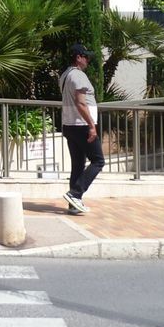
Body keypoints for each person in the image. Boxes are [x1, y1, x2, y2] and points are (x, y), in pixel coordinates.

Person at [59, 43, 103, 215]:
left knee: (78, 164)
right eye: (86, 56)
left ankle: (73, 204)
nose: (88, 60)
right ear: (78, 57)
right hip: (82, 126)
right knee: (98, 161)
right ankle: (75, 194)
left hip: (70, 125)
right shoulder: (78, 75)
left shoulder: (65, 75)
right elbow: (81, 102)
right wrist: (92, 126)